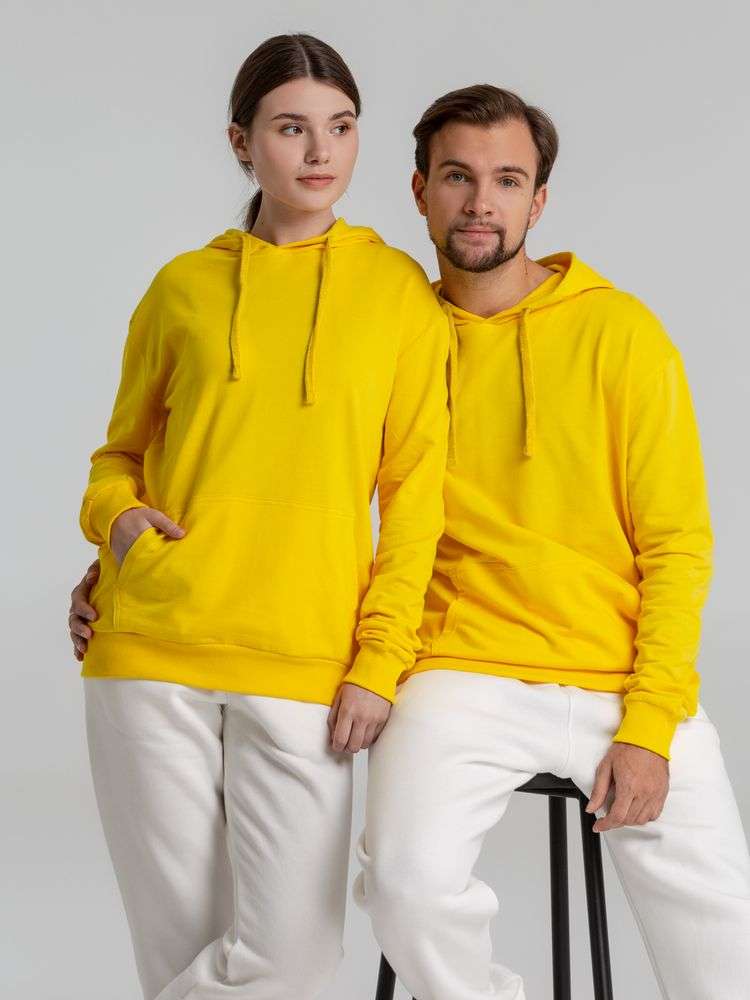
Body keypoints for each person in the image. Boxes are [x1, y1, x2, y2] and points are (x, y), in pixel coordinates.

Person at [69, 33, 450, 1000]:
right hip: (152, 653)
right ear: (242, 143)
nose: (320, 152)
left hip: (307, 661)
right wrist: (117, 523)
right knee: (177, 952)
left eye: (341, 127)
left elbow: (415, 498)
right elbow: (118, 457)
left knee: (292, 960)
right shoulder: (183, 288)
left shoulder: (399, 295)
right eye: (291, 128)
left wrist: (379, 660)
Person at [351, 85, 750, 1000]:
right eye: (458, 177)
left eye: (506, 181)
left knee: (730, 957)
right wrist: (126, 563)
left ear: (539, 201)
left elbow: (677, 547)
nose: (480, 202)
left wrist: (651, 725)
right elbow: (288, 480)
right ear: (419, 190)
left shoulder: (622, 333)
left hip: (620, 674)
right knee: (406, 889)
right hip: (459, 666)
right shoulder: (394, 341)